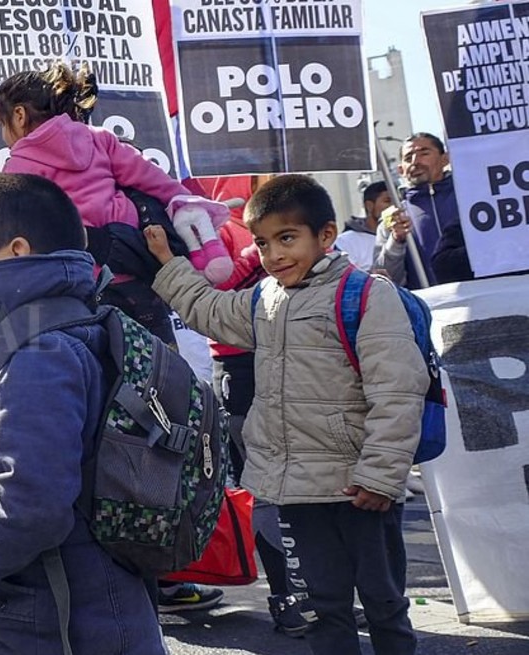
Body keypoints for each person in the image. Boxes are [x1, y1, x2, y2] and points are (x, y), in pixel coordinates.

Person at [147, 174, 429, 655]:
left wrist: (381, 477)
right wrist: (167, 262)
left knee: (384, 605)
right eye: (262, 243)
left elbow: (398, 392)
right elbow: (209, 309)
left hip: (360, 489)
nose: (274, 254)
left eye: (287, 238)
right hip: (296, 491)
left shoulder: (366, 295)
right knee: (321, 607)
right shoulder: (266, 298)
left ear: (326, 235)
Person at [0, 173, 166, 655]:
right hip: (60, 619)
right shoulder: (28, 337)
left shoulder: (36, 354)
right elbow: (8, 482)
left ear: (16, 251)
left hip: (64, 629)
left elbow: (33, 510)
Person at [0, 62, 230, 343]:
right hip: (133, 266)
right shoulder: (100, 139)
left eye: (2, 125)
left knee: (96, 363)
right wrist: (186, 203)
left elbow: (21, 231)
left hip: (80, 285)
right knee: (157, 358)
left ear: (19, 115)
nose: (3, 135)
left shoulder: (19, 166)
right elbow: (152, 179)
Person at [377, 133, 473, 287]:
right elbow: (386, 279)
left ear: (445, 159)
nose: (415, 162)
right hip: (428, 300)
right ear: (401, 170)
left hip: (481, 294)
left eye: (424, 153)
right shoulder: (394, 218)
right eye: (408, 158)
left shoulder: (471, 199)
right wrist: (396, 241)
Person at [336, 180, 393, 271]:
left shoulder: (405, 237)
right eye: (388, 201)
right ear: (369, 206)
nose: (394, 206)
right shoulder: (347, 241)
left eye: (398, 201)